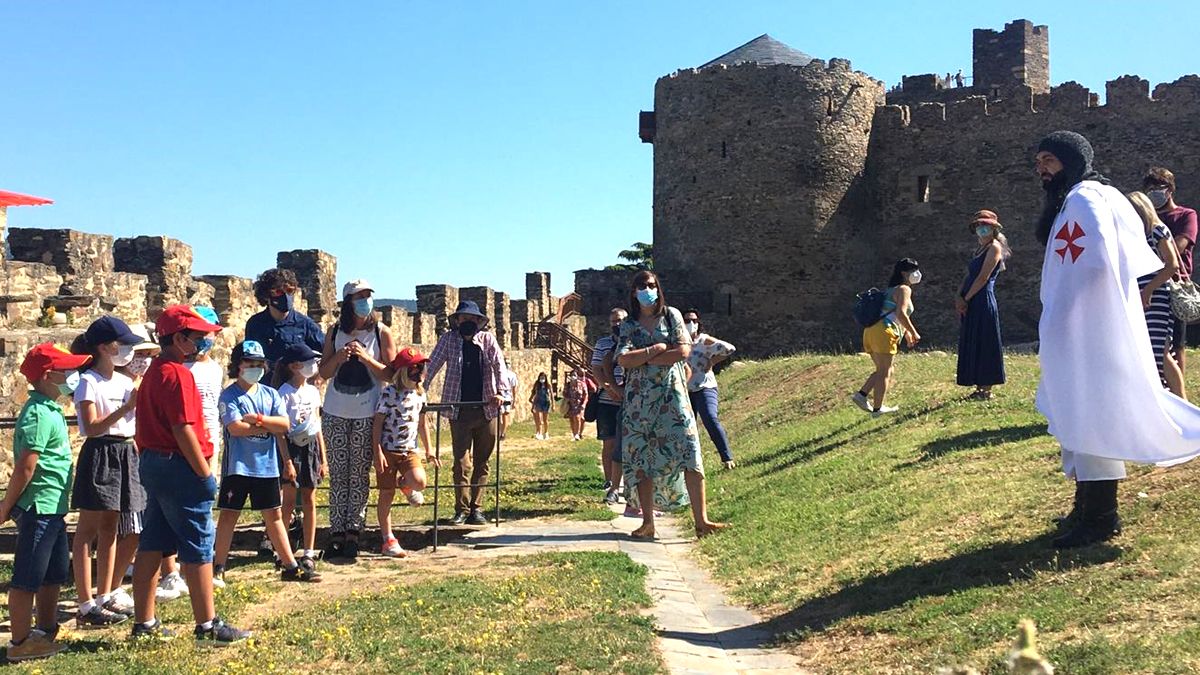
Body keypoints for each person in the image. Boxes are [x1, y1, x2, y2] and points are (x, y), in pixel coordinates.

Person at [1033, 130, 1200, 548]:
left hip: (1088, 327)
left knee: (1092, 415)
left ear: (1071, 161)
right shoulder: (1097, 195)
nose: (1041, 169)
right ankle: (1087, 510)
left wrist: (1065, 320)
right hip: (1094, 323)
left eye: (1049, 160)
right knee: (1084, 415)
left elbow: (1089, 266)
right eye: (1038, 162)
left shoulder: (1084, 199)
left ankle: (1101, 519)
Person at [131, 305, 250, 644]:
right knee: (198, 544)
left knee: (153, 541)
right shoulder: (179, 374)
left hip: (154, 463)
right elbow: (183, 428)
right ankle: (208, 626)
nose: (204, 342)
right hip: (179, 465)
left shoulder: (155, 371)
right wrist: (203, 472)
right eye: (199, 337)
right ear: (180, 339)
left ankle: (144, 623)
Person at [616, 270, 728, 540]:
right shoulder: (629, 324)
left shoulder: (671, 315)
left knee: (689, 449)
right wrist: (654, 351)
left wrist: (643, 358)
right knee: (643, 458)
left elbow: (684, 351)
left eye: (651, 285)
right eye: (642, 285)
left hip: (673, 395)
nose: (647, 289)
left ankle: (701, 520)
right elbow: (622, 359)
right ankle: (647, 523)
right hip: (640, 402)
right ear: (634, 291)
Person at [1, 343, 92, 662]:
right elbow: (27, 465)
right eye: (66, 370)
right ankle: (20, 642)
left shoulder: (50, 408)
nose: (73, 376)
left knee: (53, 573)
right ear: (48, 375)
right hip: (39, 506)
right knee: (27, 577)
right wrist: (5, 506)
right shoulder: (38, 412)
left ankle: (45, 629)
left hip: (54, 507)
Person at [212, 341, 321, 584]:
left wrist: (258, 419)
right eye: (250, 363)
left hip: (267, 467)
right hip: (237, 467)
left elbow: (284, 425)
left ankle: (290, 566)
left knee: (273, 516)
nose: (255, 368)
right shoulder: (229, 395)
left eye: (259, 364)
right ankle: (218, 566)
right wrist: (267, 424)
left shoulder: (270, 394)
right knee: (229, 516)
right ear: (238, 365)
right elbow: (236, 428)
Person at [69, 316, 146, 627]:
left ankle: (106, 594)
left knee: (112, 526)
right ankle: (85, 602)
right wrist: (126, 407)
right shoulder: (89, 382)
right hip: (101, 451)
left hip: (125, 450)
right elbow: (91, 426)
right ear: (103, 347)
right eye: (121, 344)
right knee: (88, 529)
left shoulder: (125, 382)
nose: (127, 350)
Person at [319, 279, 397, 562]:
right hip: (335, 411)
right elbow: (323, 373)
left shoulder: (381, 332)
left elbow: (390, 374)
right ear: (348, 302)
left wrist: (365, 358)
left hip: (367, 412)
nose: (365, 300)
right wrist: (339, 357)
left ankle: (354, 530)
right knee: (339, 474)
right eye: (359, 296)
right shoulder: (334, 332)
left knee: (359, 475)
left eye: (368, 295)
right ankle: (336, 531)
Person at [113, 323, 183, 604]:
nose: (144, 360)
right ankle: (113, 586)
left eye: (149, 354)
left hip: (146, 455)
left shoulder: (149, 382)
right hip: (126, 453)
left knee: (151, 521)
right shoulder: (119, 385)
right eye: (139, 354)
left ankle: (169, 572)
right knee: (131, 526)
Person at [424, 300, 507, 526]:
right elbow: (431, 366)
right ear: (457, 321)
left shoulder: (488, 340)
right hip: (458, 410)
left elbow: (499, 365)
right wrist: (418, 391)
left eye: (472, 319)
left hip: (486, 408)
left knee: (483, 461)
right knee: (461, 463)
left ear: (479, 322)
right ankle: (461, 509)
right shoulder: (448, 340)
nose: (468, 322)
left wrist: (501, 392)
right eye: (464, 319)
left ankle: (476, 509)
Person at [373, 347, 438, 557]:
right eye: (415, 367)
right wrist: (378, 452)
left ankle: (406, 485)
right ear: (403, 371)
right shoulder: (389, 393)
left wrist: (429, 450)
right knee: (386, 494)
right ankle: (388, 539)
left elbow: (422, 424)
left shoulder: (420, 394)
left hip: (409, 449)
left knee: (419, 481)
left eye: (422, 366)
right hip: (388, 450)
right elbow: (377, 424)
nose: (420, 371)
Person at [1127, 191, 1185, 397]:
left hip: (1157, 296)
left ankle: (1182, 400)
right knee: (1147, 350)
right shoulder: (1134, 236)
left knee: (1160, 349)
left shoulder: (1157, 230)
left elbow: (1172, 265)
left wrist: (1148, 290)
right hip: (1139, 296)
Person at [274, 343, 326, 570]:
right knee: (288, 503)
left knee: (309, 499)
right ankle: (282, 551)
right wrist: (286, 461)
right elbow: (280, 432)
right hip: (292, 447)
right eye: (308, 362)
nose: (313, 366)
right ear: (295, 366)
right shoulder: (283, 393)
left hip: (311, 447)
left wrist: (323, 459)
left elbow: (317, 425)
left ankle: (309, 550)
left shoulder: (313, 391)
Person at [1142, 167, 1198, 376]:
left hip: (1174, 284)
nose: (1154, 192)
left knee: (1176, 342)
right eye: (1150, 189)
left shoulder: (1186, 215)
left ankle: (1179, 393)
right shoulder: (1145, 221)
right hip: (1147, 282)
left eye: (1159, 187)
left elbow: (1180, 246)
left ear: (1170, 190)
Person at [852, 258, 922, 417]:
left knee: (884, 369)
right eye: (913, 270)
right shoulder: (904, 289)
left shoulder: (890, 290)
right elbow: (901, 314)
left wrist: (907, 334)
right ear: (904, 273)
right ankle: (877, 409)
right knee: (885, 371)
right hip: (884, 332)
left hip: (871, 331)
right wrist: (914, 332)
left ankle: (862, 395)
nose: (917, 274)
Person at [955, 210, 1010, 400]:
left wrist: (967, 298)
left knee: (986, 341)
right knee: (974, 340)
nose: (981, 229)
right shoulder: (978, 250)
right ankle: (978, 385)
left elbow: (983, 278)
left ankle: (987, 388)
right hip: (971, 299)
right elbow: (969, 275)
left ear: (993, 228)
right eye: (979, 226)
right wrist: (959, 295)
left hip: (982, 299)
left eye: (985, 226)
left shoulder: (994, 248)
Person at [244, 267, 326, 381]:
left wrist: (318, 377)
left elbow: (327, 352)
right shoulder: (255, 324)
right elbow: (248, 358)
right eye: (278, 292)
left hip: (294, 391)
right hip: (265, 389)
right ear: (266, 295)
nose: (286, 296)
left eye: (290, 291)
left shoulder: (305, 324)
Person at [683, 310, 737, 470]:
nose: (691, 323)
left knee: (710, 418)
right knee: (685, 425)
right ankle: (688, 462)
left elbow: (729, 349)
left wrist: (712, 361)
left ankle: (727, 458)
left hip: (705, 386)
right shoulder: (679, 342)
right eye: (686, 320)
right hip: (685, 390)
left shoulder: (704, 340)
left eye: (694, 320)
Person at [592, 308, 628, 504]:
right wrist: (609, 388)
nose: (617, 324)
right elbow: (596, 367)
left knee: (628, 443)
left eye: (621, 320)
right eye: (614, 321)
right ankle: (610, 481)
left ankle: (627, 484)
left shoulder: (634, 343)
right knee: (610, 443)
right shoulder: (603, 344)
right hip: (607, 400)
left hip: (630, 400)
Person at [564, 368, 588, 441]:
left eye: (575, 375)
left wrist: (584, 404)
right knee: (571, 419)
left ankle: (577, 434)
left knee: (578, 418)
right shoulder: (568, 385)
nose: (573, 376)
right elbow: (564, 394)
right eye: (572, 375)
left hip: (579, 404)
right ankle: (574, 434)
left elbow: (585, 395)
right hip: (570, 404)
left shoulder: (582, 384)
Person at [529, 372, 552, 440]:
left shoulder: (548, 385)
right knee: (539, 419)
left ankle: (546, 432)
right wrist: (533, 403)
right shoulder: (537, 385)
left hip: (546, 402)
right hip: (538, 402)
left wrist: (553, 404)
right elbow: (534, 393)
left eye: (543, 377)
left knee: (545, 419)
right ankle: (539, 432)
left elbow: (551, 395)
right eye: (541, 377)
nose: (542, 379)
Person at [498, 367, 518, 441]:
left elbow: (514, 388)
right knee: (503, 415)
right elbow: (514, 388)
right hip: (505, 396)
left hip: (505, 396)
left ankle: (501, 432)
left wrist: (514, 399)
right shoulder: (511, 374)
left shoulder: (504, 373)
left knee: (502, 414)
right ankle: (502, 432)